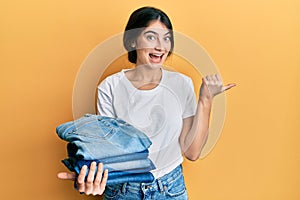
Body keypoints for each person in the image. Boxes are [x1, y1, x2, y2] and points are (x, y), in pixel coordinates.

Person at [57, 6, 235, 199]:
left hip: (171, 189)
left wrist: (205, 100)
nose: (161, 46)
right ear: (133, 40)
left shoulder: (181, 84)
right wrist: (92, 178)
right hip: (124, 190)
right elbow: (108, 152)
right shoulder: (109, 87)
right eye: (151, 37)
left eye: (166, 38)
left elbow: (192, 152)